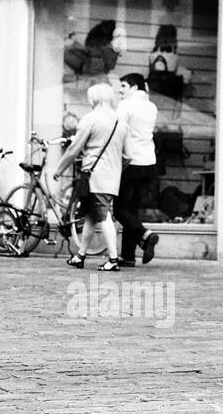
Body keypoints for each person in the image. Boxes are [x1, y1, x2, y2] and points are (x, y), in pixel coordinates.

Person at [53, 83, 127, 272]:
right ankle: (80, 255)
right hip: (112, 175)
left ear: (93, 98)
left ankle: (113, 258)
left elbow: (74, 149)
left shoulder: (91, 119)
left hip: (94, 175)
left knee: (103, 214)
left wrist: (59, 169)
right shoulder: (121, 121)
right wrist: (115, 168)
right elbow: (128, 155)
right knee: (91, 215)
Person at [115, 73, 160, 266]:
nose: (120, 90)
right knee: (131, 209)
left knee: (119, 210)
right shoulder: (151, 107)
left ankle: (145, 234)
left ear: (134, 88)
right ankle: (128, 256)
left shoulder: (126, 106)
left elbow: (118, 132)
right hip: (149, 162)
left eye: (123, 86)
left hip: (130, 163)